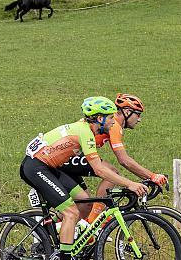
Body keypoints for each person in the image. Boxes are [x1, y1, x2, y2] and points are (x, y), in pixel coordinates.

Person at [19, 97, 148, 260]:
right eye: (110, 118)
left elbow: (98, 167)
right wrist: (130, 184)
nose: (113, 122)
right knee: (71, 212)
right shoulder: (85, 132)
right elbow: (99, 169)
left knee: (84, 201)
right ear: (99, 118)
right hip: (36, 167)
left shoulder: (86, 129)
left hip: (50, 167)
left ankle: (68, 233)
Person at [59, 93, 168, 223]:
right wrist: (152, 176)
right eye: (138, 114)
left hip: (73, 156)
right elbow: (124, 160)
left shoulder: (112, 124)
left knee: (85, 203)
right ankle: (94, 221)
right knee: (112, 172)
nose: (139, 119)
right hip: (65, 156)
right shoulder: (114, 125)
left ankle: (82, 227)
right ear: (127, 112)